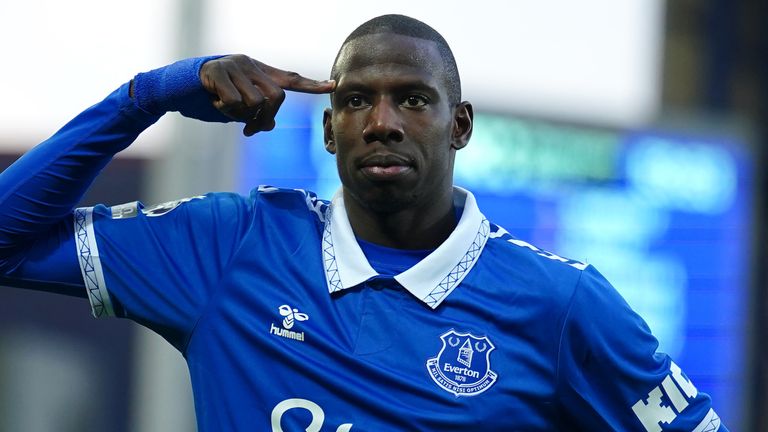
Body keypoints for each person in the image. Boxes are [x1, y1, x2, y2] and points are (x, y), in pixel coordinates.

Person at [0, 14, 727, 432]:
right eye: (355, 102)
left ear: (460, 125)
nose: (381, 123)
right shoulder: (232, 247)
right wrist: (146, 97)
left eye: (413, 99)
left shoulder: (562, 306)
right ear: (327, 131)